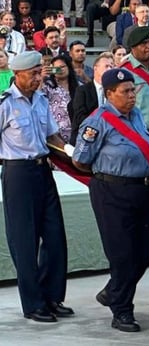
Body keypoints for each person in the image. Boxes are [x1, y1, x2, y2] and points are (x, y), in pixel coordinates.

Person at [71, 68, 149, 333]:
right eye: (126, 92)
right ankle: (122, 311)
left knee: (148, 245)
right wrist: (108, 173)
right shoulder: (97, 122)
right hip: (111, 191)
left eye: (133, 90)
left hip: (140, 190)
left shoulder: (137, 116)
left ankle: (113, 290)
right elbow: (80, 159)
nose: (132, 96)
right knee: (122, 253)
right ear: (109, 94)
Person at [0, 50, 75, 323]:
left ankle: (52, 297)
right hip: (18, 173)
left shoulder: (42, 100)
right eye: (32, 74)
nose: (37, 78)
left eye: (38, 72)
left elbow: (51, 135)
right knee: (25, 240)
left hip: (44, 169)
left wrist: (71, 152)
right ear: (16, 75)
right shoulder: (5, 104)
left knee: (55, 236)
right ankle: (33, 303)